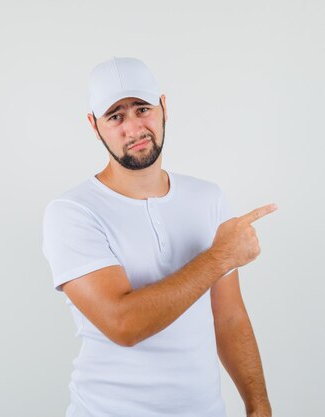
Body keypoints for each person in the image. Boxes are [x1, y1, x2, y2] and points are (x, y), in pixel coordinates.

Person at [42, 56, 276, 417]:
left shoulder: (207, 198)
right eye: (115, 116)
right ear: (94, 126)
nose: (134, 129)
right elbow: (124, 324)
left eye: (142, 109)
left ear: (164, 108)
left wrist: (259, 406)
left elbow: (229, 317)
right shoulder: (73, 212)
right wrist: (221, 257)